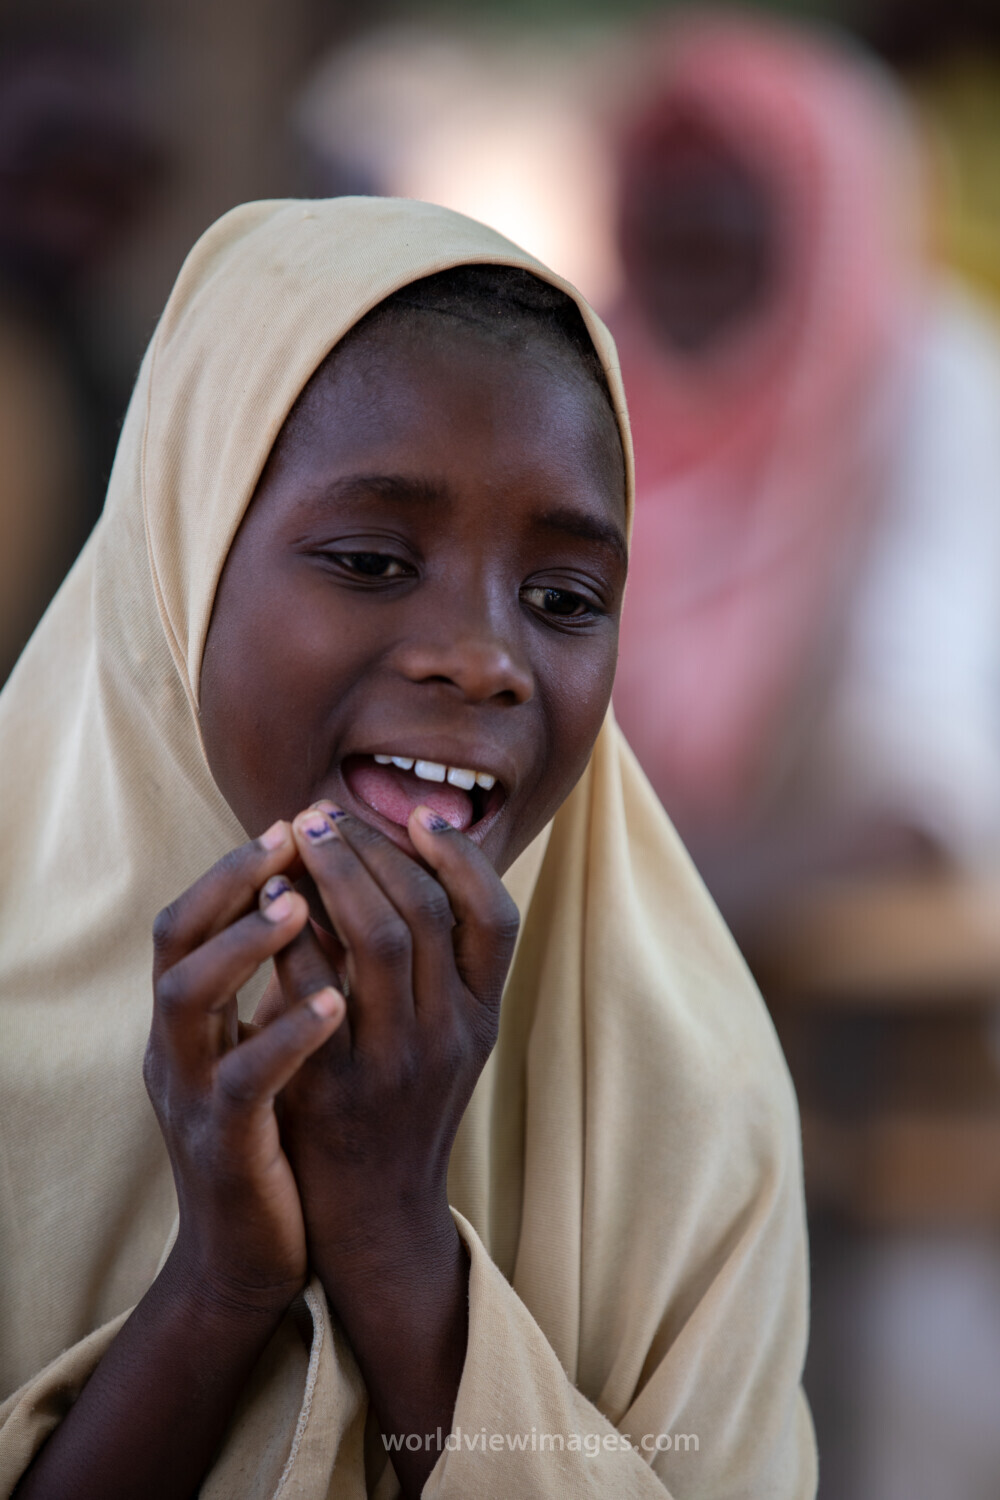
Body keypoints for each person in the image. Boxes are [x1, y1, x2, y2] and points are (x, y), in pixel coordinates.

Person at [0, 197, 815, 1498]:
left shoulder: (691, 1102)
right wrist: (219, 1289)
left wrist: (394, 1240)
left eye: (563, 599)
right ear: (185, 559)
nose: (484, 660)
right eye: (373, 561)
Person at [610, 14, 1000, 928]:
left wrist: (649, 902)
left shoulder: (929, 385)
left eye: (724, 248)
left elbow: (914, 788)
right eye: (673, 248)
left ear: (823, 227)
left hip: (875, 979)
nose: (691, 284)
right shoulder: (590, 375)